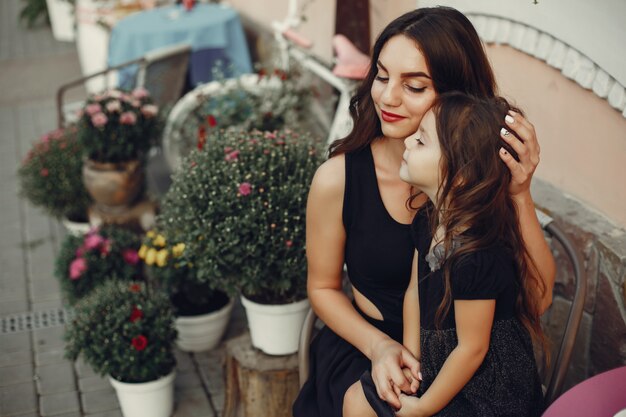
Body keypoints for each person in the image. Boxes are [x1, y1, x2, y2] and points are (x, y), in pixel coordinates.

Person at [293, 7, 555, 417]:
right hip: (368, 346)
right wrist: (380, 347)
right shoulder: (338, 180)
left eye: (414, 86)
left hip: (465, 361)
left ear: (456, 98)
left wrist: (520, 193)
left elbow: (536, 302)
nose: (387, 97)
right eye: (381, 76)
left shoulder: (477, 183)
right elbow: (323, 288)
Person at [347, 93, 546, 417]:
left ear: (460, 173)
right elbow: (414, 293)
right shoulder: (428, 221)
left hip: (485, 392)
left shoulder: (475, 256)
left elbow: (472, 348)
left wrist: (424, 406)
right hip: (440, 366)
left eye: (422, 141)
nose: (409, 140)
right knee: (360, 399)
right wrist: (412, 360)